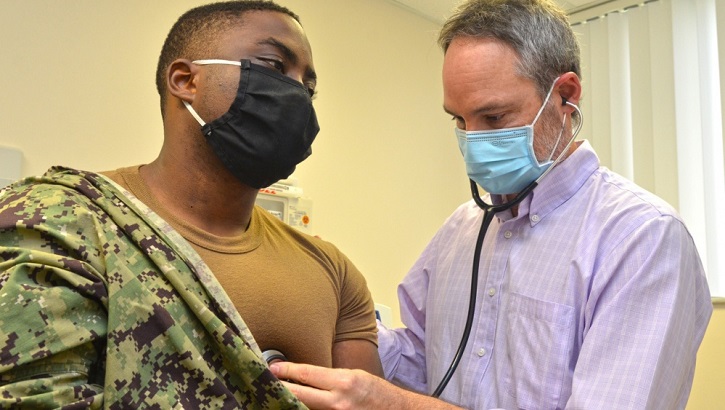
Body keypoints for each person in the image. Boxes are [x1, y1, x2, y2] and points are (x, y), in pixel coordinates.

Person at [270, 0, 713, 408]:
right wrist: (336, 296)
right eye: (459, 120)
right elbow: (421, 364)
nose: (474, 141)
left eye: (494, 118)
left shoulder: (643, 239)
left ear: (566, 95)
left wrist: (394, 405)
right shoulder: (463, 228)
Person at [0, 1, 382, 408]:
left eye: (308, 87)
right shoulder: (58, 223)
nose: (298, 95)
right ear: (185, 80)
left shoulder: (334, 272)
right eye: (273, 66)